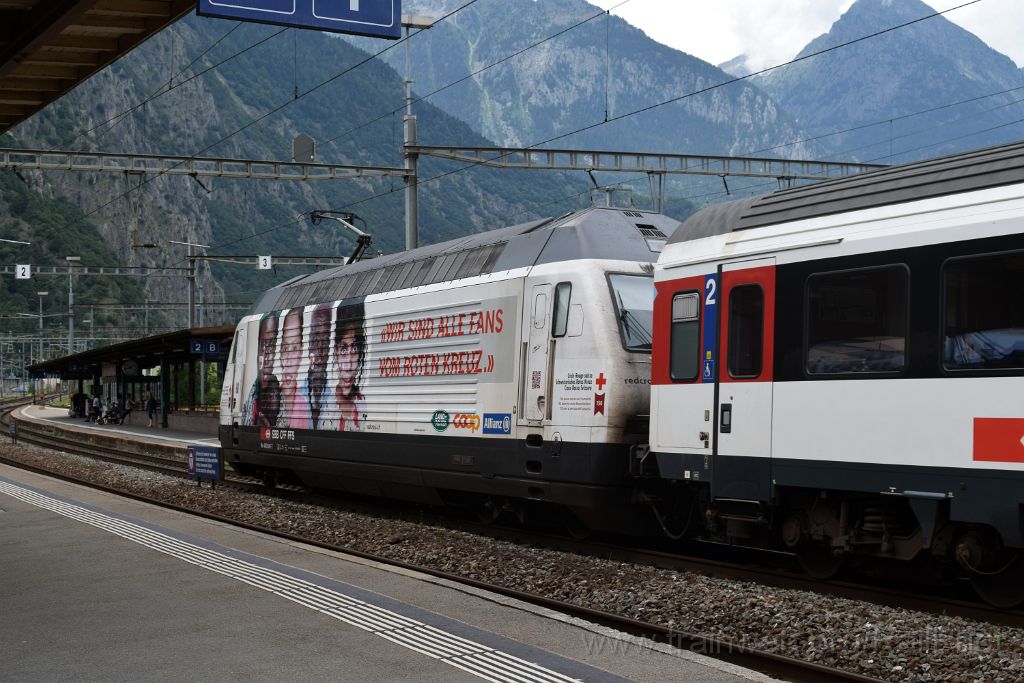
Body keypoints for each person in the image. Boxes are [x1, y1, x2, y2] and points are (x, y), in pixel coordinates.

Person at [323, 302, 366, 432]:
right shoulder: (325, 406)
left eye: (354, 349)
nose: (348, 365)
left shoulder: (364, 405)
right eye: (343, 350)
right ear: (335, 352)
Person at [244, 312, 281, 428]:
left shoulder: (282, 396)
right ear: (258, 348)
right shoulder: (249, 399)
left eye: (272, 345)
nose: (267, 357)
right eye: (264, 345)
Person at [276, 308, 310, 429]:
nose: (289, 361)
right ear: (280, 353)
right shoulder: (271, 398)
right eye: (285, 349)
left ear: (301, 353)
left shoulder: (304, 406)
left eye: (294, 348)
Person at [305, 303, 332, 430]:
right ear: (309, 345)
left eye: (326, 342)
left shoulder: (333, 397)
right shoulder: (296, 396)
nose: (320, 352)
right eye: (316, 342)